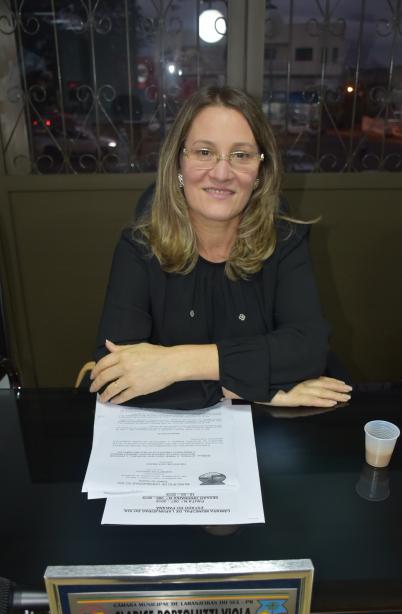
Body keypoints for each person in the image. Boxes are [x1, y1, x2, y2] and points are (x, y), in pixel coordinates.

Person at [90, 86, 352, 409]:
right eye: (204, 152)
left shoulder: (286, 241)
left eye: (241, 155)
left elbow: (309, 350)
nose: (222, 173)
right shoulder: (138, 247)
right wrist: (264, 389)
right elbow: (115, 376)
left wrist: (175, 364)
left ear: (260, 172)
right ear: (178, 164)